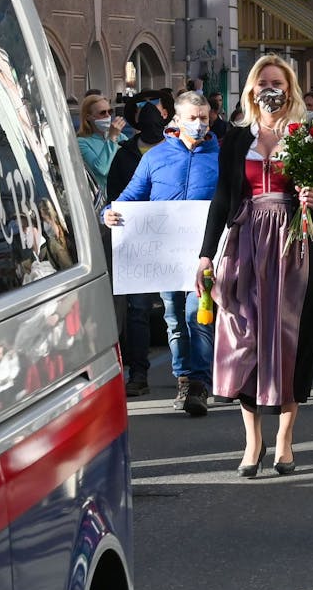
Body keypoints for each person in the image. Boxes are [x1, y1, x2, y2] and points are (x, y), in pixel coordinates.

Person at [197, 55, 313, 476]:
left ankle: (285, 440)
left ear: (290, 89)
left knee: (291, 336)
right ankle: (252, 441)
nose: (269, 89)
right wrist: (206, 252)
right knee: (246, 336)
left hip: (295, 243)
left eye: (277, 82)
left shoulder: (307, 136)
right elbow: (223, 198)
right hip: (248, 241)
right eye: (262, 83)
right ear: (252, 90)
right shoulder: (238, 139)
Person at [106, 91, 220, 416]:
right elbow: (130, 195)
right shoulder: (155, 158)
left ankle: (199, 384)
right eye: (192, 118)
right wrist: (110, 213)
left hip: (204, 254)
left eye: (203, 118)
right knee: (173, 319)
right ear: (178, 120)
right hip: (165, 255)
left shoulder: (220, 159)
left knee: (196, 315)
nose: (198, 124)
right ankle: (183, 377)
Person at [105, 103, 168, 397]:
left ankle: (196, 376)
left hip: (174, 238)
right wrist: (111, 212)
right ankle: (138, 372)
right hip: (138, 239)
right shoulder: (125, 155)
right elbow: (118, 194)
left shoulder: (174, 152)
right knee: (139, 309)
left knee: (182, 311)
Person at [77, 94, 127, 190]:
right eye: (102, 113)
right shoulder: (82, 142)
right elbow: (101, 169)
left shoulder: (121, 137)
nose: (108, 116)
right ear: (88, 117)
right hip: (104, 198)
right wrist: (112, 138)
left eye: (110, 111)